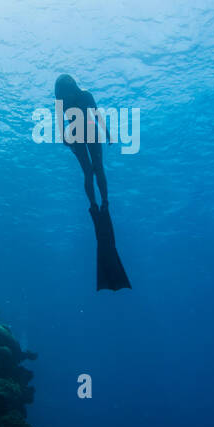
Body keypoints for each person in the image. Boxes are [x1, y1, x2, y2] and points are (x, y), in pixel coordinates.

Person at [55, 74, 131, 291]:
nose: (66, 93)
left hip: (90, 131)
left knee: (97, 170)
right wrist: (66, 139)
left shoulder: (84, 96)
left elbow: (96, 115)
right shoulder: (62, 102)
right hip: (77, 134)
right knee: (89, 173)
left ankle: (103, 202)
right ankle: (95, 204)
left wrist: (106, 133)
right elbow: (61, 126)